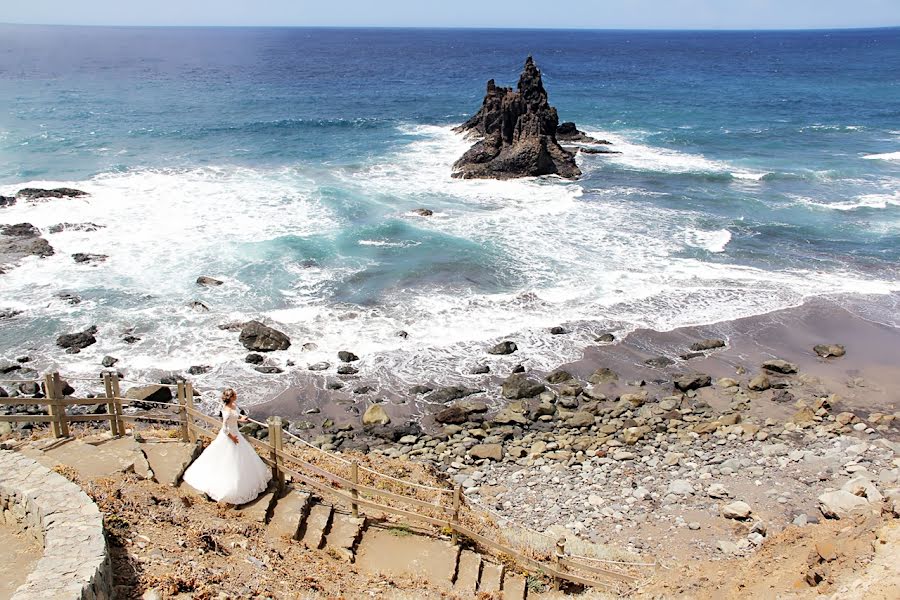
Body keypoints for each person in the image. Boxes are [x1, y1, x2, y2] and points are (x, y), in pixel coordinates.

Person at [182, 388, 271, 505]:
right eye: (235, 394)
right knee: (231, 461)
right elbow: (224, 428)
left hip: (236, 434)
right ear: (231, 397)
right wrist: (232, 437)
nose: (236, 395)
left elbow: (235, 418)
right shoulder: (226, 411)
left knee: (241, 459)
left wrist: (241, 420)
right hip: (230, 437)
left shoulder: (233, 406)